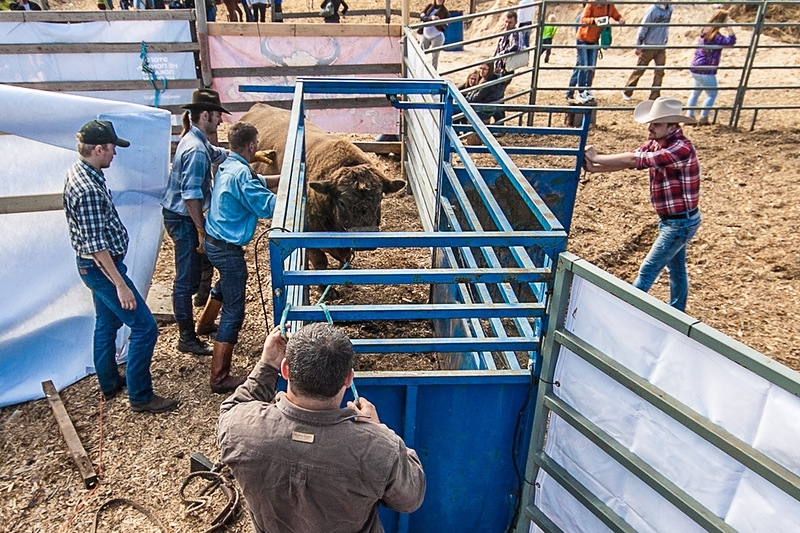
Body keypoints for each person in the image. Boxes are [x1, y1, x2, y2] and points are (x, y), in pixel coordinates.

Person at [218, 323, 426, 533]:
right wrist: (378, 429)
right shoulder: (379, 450)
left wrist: (266, 366)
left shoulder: (239, 429)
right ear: (348, 378)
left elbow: (232, 407)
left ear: (285, 370)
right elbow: (410, 498)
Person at [63, 120, 178, 414]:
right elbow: (95, 246)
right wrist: (120, 284)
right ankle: (140, 395)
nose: (114, 154)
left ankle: (109, 381)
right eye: (112, 149)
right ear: (98, 148)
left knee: (106, 323)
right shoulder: (87, 188)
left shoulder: (83, 172)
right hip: (103, 268)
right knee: (144, 328)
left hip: (95, 268)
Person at [583, 97, 700, 312]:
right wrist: (594, 167)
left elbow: (633, 160)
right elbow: (629, 162)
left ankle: (624, 312)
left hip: (679, 223)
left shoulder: (681, 148)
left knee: (648, 270)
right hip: (675, 220)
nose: (650, 127)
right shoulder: (658, 144)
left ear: (672, 126)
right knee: (676, 269)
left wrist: (597, 157)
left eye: (656, 124)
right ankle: (678, 310)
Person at [204, 122, 280, 393]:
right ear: (251, 146)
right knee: (234, 311)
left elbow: (257, 182)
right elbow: (266, 205)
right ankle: (219, 377)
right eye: (256, 144)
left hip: (213, 240)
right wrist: (295, 196)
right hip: (227, 248)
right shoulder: (242, 175)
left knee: (225, 283)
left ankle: (203, 324)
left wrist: (283, 179)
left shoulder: (229, 165)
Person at [161, 89, 229, 357]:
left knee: (202, 266)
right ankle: (186, 337)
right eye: (217, 116)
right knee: (184, 280)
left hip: (183, 216)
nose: (220, 122)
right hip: (183, 218)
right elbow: (191, 196)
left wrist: (244, 157)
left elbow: (216, 153)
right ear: (204, 115)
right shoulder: (195, 150)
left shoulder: (196, 140)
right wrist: (200, 229)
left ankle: (200, 311)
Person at [567, 0, 624, 104]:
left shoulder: (608, 6)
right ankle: (580, 91)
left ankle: (586, 89)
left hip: (594, 39)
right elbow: (583, 19)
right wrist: (595, 21)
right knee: (583, 66)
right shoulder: (591, 4)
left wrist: (620, 19)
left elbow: (616, 14)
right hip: (583, 38)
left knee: (591, 67)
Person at [686, 9, 736, 126]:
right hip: (707, 68)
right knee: (712, 94)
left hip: (696, 66)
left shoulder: (705, 30)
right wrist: (729, 29)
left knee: (695, 93)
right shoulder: (716, 36)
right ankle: (704, 117)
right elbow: (731, 41)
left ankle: (690, 116)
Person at [622, 0, 673, 102]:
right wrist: (638, 44)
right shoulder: (652, 10)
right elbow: (644, 26)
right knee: (640, 69)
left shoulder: (670, 9)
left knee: (660, 72)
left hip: (661, 45)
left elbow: (666, 25)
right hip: (649, 45)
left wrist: (665, 38)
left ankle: (654, 96)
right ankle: (627, 90)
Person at [419, 0, 450, 70]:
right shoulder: (429, 6)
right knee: (420, 52)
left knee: (434, 57)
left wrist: (439, 21)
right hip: (426, 35)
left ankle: (433, 73)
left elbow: (446, 25)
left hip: (437, 36)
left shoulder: (445, 11)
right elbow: (422, 16)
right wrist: (431, 18)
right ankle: (419, 69)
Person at [493, 10, 523, 74]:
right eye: (506, 22)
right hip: (498, 65)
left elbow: (516, 47)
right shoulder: (504, 32)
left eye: (510, 22)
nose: (507, 25)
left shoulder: (516, 32)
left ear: (516, 22)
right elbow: (498, 49)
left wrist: (503, 53)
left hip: (507, 66)